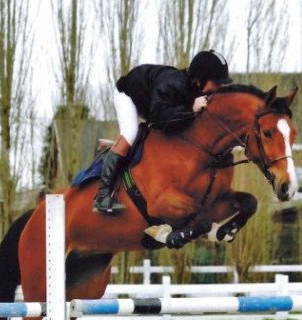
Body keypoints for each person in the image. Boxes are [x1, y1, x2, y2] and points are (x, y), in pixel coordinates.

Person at [93, 50, 233, 214]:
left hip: (150, 99)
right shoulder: (173, 83)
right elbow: (158, 117)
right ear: (200, 79)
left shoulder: (198, 90)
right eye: (216, 83)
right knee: (130, 133)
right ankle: (102, 196)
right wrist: (191, 109)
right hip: (128, 94)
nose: (219, 88)